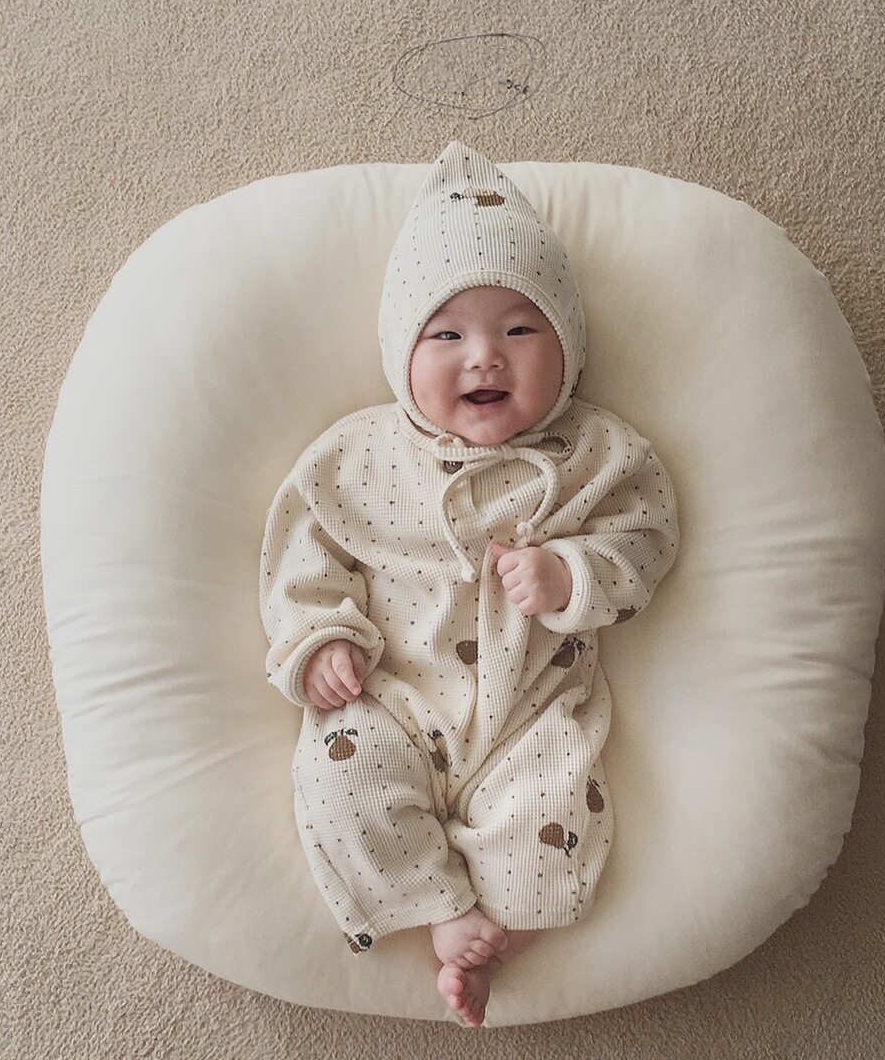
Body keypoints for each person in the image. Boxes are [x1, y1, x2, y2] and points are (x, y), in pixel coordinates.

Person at [259, 139, 679, 1027]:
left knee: (555, 812)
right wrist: (322, 639)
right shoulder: (359, 457)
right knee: (338, 768)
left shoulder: (598, 452)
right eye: (446, 335)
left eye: (521, 331)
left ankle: (498, 936)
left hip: (531, 713)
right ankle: (440, 910)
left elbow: (647, 536)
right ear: (399, 353)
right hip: (393, 697)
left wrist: (572, 572)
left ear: (569, 348)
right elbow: (304, 551)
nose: (485, 357)